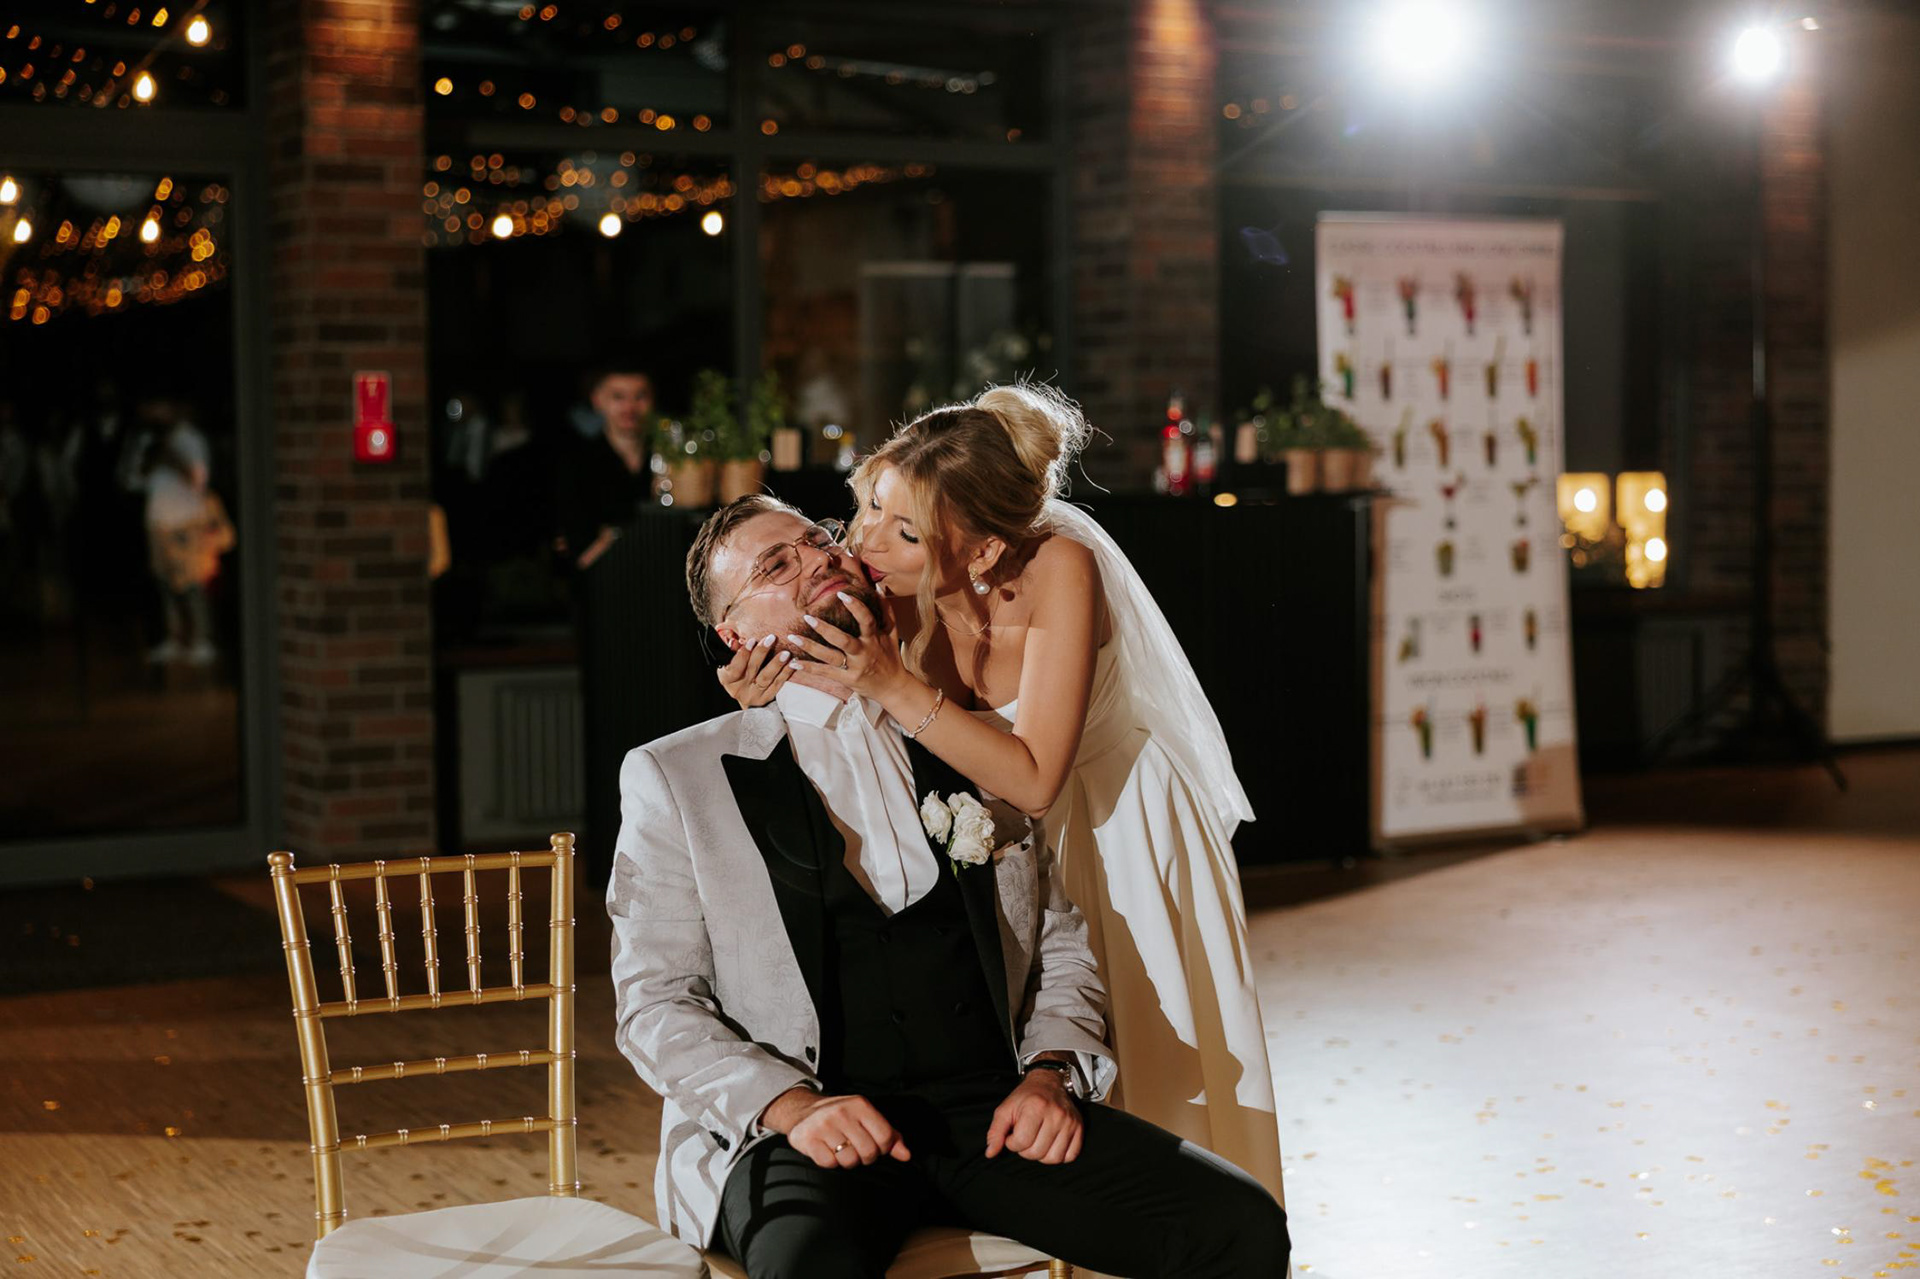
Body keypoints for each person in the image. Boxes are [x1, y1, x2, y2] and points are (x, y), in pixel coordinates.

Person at [609, 496, 1290, 1279]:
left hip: (991, 1116)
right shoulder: (680, 776)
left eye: (818, 539)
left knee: (1239, 1224)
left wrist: (1050, 1072)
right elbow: (655, 1001)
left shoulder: (967, 738)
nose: (818, 557)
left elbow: (1059, 941)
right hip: (805, 1131)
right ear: (735, 635)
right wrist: (791, 1107)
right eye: (776, 564)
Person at [718, 383, 1287, 1204]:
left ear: (982, 552)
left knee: (1162, 1075)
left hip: (1120, 829)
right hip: (1007, 848)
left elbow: (1035, 777)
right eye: (870, 504)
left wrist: (891, 681)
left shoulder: (1061, 566)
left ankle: (1192, 1231)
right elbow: (808, 675)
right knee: (1039, 1084)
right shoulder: (880, 573)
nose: (863, 540)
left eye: (904, 529)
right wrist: (757, 694)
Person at [554, 365, 654, 573]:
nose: (630, 407)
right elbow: (575, 553)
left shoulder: (669, 460)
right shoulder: (576, 463)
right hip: (603, 581)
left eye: (640, 396)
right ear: (598, 400)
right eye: (618, 397)